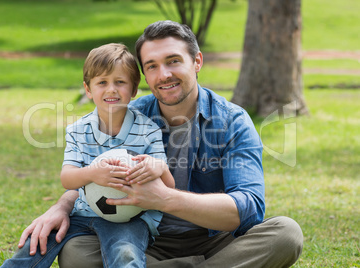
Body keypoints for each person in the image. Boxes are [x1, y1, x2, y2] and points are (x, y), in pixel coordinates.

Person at [16, 21, 304, 268]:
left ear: (197, 61)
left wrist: (163, 198)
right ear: (143, 76)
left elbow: (250, 209)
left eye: (173, 61)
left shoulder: (232, 122)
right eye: (152, 66)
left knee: (286, 234)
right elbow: (93, 169)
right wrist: (61, 206)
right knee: (77, 254)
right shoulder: (128, 114)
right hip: (145, 239)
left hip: (215, 243)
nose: (164, 74)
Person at [0, 43, 175, 267]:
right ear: (88, 89)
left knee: (125, 254)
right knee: (36, 243)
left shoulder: (148, 130)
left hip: (131, 218)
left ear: (133, 90)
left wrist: (159, 168)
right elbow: (68, 178)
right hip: (82, 214)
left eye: (120, 82)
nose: (111, 89)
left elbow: (168, 189)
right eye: (102, 82)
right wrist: (93, 174)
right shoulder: (78, 130)